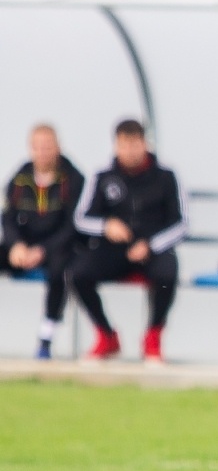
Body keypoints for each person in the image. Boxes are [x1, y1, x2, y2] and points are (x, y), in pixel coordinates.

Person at [72, 120, 186, 362]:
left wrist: (150, 245)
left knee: (168, 273)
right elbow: (81, 219)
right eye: (124, 145)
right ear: (116, 146)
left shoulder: (166, 177)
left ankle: (153, 335)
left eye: (135, 145)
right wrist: (106, 225)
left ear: (144, 144)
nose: (130, 151)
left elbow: (181, 223)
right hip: (115, 249)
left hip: (153, 249)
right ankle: (106, 335)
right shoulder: (102, 176)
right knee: (77, 273)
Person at [2, 124, 85, 359]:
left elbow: (73, 226)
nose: (43, 152)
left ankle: (46, 337)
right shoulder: (20, 178)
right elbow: (7, 217)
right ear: (31, 149)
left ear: (58, 148)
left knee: (63, 269)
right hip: (23, 246)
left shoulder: (73, 179)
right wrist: (15, 245)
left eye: (47, 147)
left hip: (57, 247)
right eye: (38, 147)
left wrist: (42, 250)